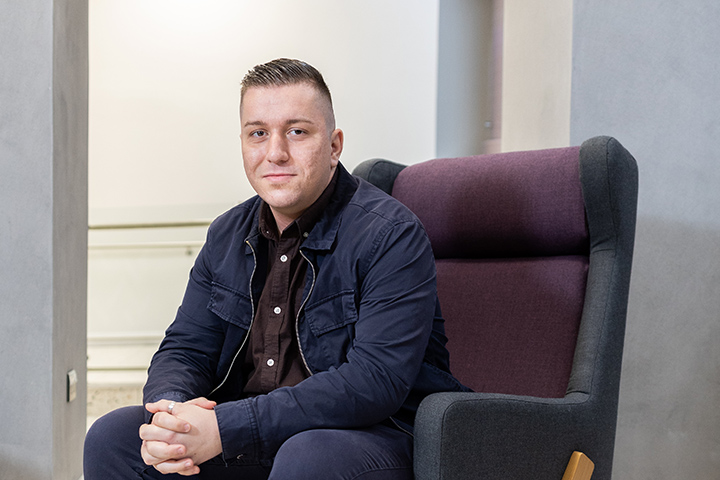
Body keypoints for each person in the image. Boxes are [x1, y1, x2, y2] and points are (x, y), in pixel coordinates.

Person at [83, 58, 467, 480]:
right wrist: (173, 412)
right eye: (258, 133)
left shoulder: (391, 235)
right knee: (114, 437)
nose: (275, 153)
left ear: (335, 145)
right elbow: (186, 347)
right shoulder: (228, 233)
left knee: (309, 455)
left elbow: (373, 382)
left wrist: (228, 429)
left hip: (367, 437)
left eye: (297, 131)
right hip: (255, 437)